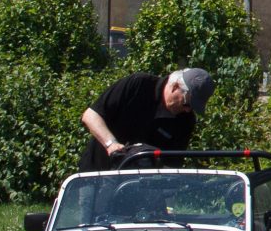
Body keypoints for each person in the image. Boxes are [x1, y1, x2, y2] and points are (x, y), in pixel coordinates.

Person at [79, 66, 215, 171]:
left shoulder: (185, 121)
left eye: (193, 107)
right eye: (186, 103)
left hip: (140, 188)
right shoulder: (138, 85)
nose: (187, 110)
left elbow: (172, 165)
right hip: (98, 173)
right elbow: (91, 115)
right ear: (175, 87)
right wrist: (111, 144)